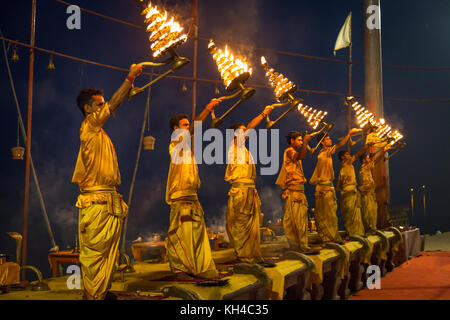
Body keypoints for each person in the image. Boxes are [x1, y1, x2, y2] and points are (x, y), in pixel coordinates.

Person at [72, 64, 144, 300]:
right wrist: (129, 78)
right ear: (88, 109)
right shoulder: (90, 127)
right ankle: (94, 295)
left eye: (103, 104)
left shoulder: (99, 132)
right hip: (97, 201)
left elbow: (112, 105)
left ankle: (100, 292)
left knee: (108, 252)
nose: (105, 108)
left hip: (108, 200)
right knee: (95, 252)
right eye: (99, 105)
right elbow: (114, 104)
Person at [165, 98, 222, 279]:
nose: (188, 127)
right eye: (184, 125)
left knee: (196, 234)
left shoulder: (188, 150)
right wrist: (207, 108)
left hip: (192, 196)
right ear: (175, 129)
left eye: (188, 125)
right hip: (180, 197)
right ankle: (181, 270)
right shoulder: (176, 142)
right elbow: (192, 130)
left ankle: (200, 269)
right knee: (182, 235)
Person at [225, 105, 275, 266]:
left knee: (253, 227)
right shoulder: (233, 147)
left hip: (250, 191)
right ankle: (244, 257)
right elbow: (251, 128)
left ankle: (253, 256)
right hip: (240, 192)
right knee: (241, 225)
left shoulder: (245, 151)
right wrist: (263, 114)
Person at [309, 128, 360, 243]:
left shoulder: (326, 153)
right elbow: (341, 144)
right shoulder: (324, 153)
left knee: (331, 215)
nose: (330, 140)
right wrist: (349, 134)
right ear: (322, 142)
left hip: (328, 188)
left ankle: (332, 237)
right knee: (326, 216)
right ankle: (328, 238)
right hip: (323, 189)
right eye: (328, 139)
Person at [275, 131, 319, 254]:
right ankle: (299, 247)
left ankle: (300, 246)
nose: (300, 142)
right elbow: (301, 156)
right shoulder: (289, 151)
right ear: (292, 141)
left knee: (297, 220)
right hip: (295, 193)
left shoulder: (294, 155)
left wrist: (305, 144)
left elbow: (301, 157)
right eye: (298, 140)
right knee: (294, 221)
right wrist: (305, 142)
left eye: (301, 140)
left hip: (298, 192)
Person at [336, 143, 369, 237]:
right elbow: (357, 154)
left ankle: (358, 233)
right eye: (346, 154)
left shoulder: (347, 164)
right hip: (348, 192)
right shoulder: (346, 163)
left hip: (352, 191)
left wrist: (349, 146)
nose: (349, 155)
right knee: (350, 213)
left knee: (356, 213)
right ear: (342, 157)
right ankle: (352, 233)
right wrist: (364, 147)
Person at [359, 144, 390, 234]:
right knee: (368, 214)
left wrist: (383, 151)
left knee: (373, 213)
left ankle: (373, 229)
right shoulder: (363, 169)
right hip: (367, 195)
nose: (370, 159)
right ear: (364, 160)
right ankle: (370, 230)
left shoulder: (367, 168)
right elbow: (375, 160)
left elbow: (374, 160)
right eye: (368, 158)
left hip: (371, 195)